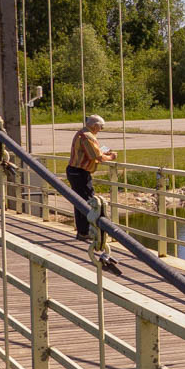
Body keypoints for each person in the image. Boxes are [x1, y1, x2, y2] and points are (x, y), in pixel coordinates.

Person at [66, 115, 119, 271]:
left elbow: (94, 150)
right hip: (80, 172)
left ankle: (83, 231)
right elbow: (96, 156)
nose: (101, 130)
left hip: (76, 171)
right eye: (101, 127)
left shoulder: (83, 133)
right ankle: (90, 232)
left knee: (81, 202)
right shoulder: (88, 136)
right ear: (95, 126)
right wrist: (111, 156)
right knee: (90, 203)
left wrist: (104, 150)